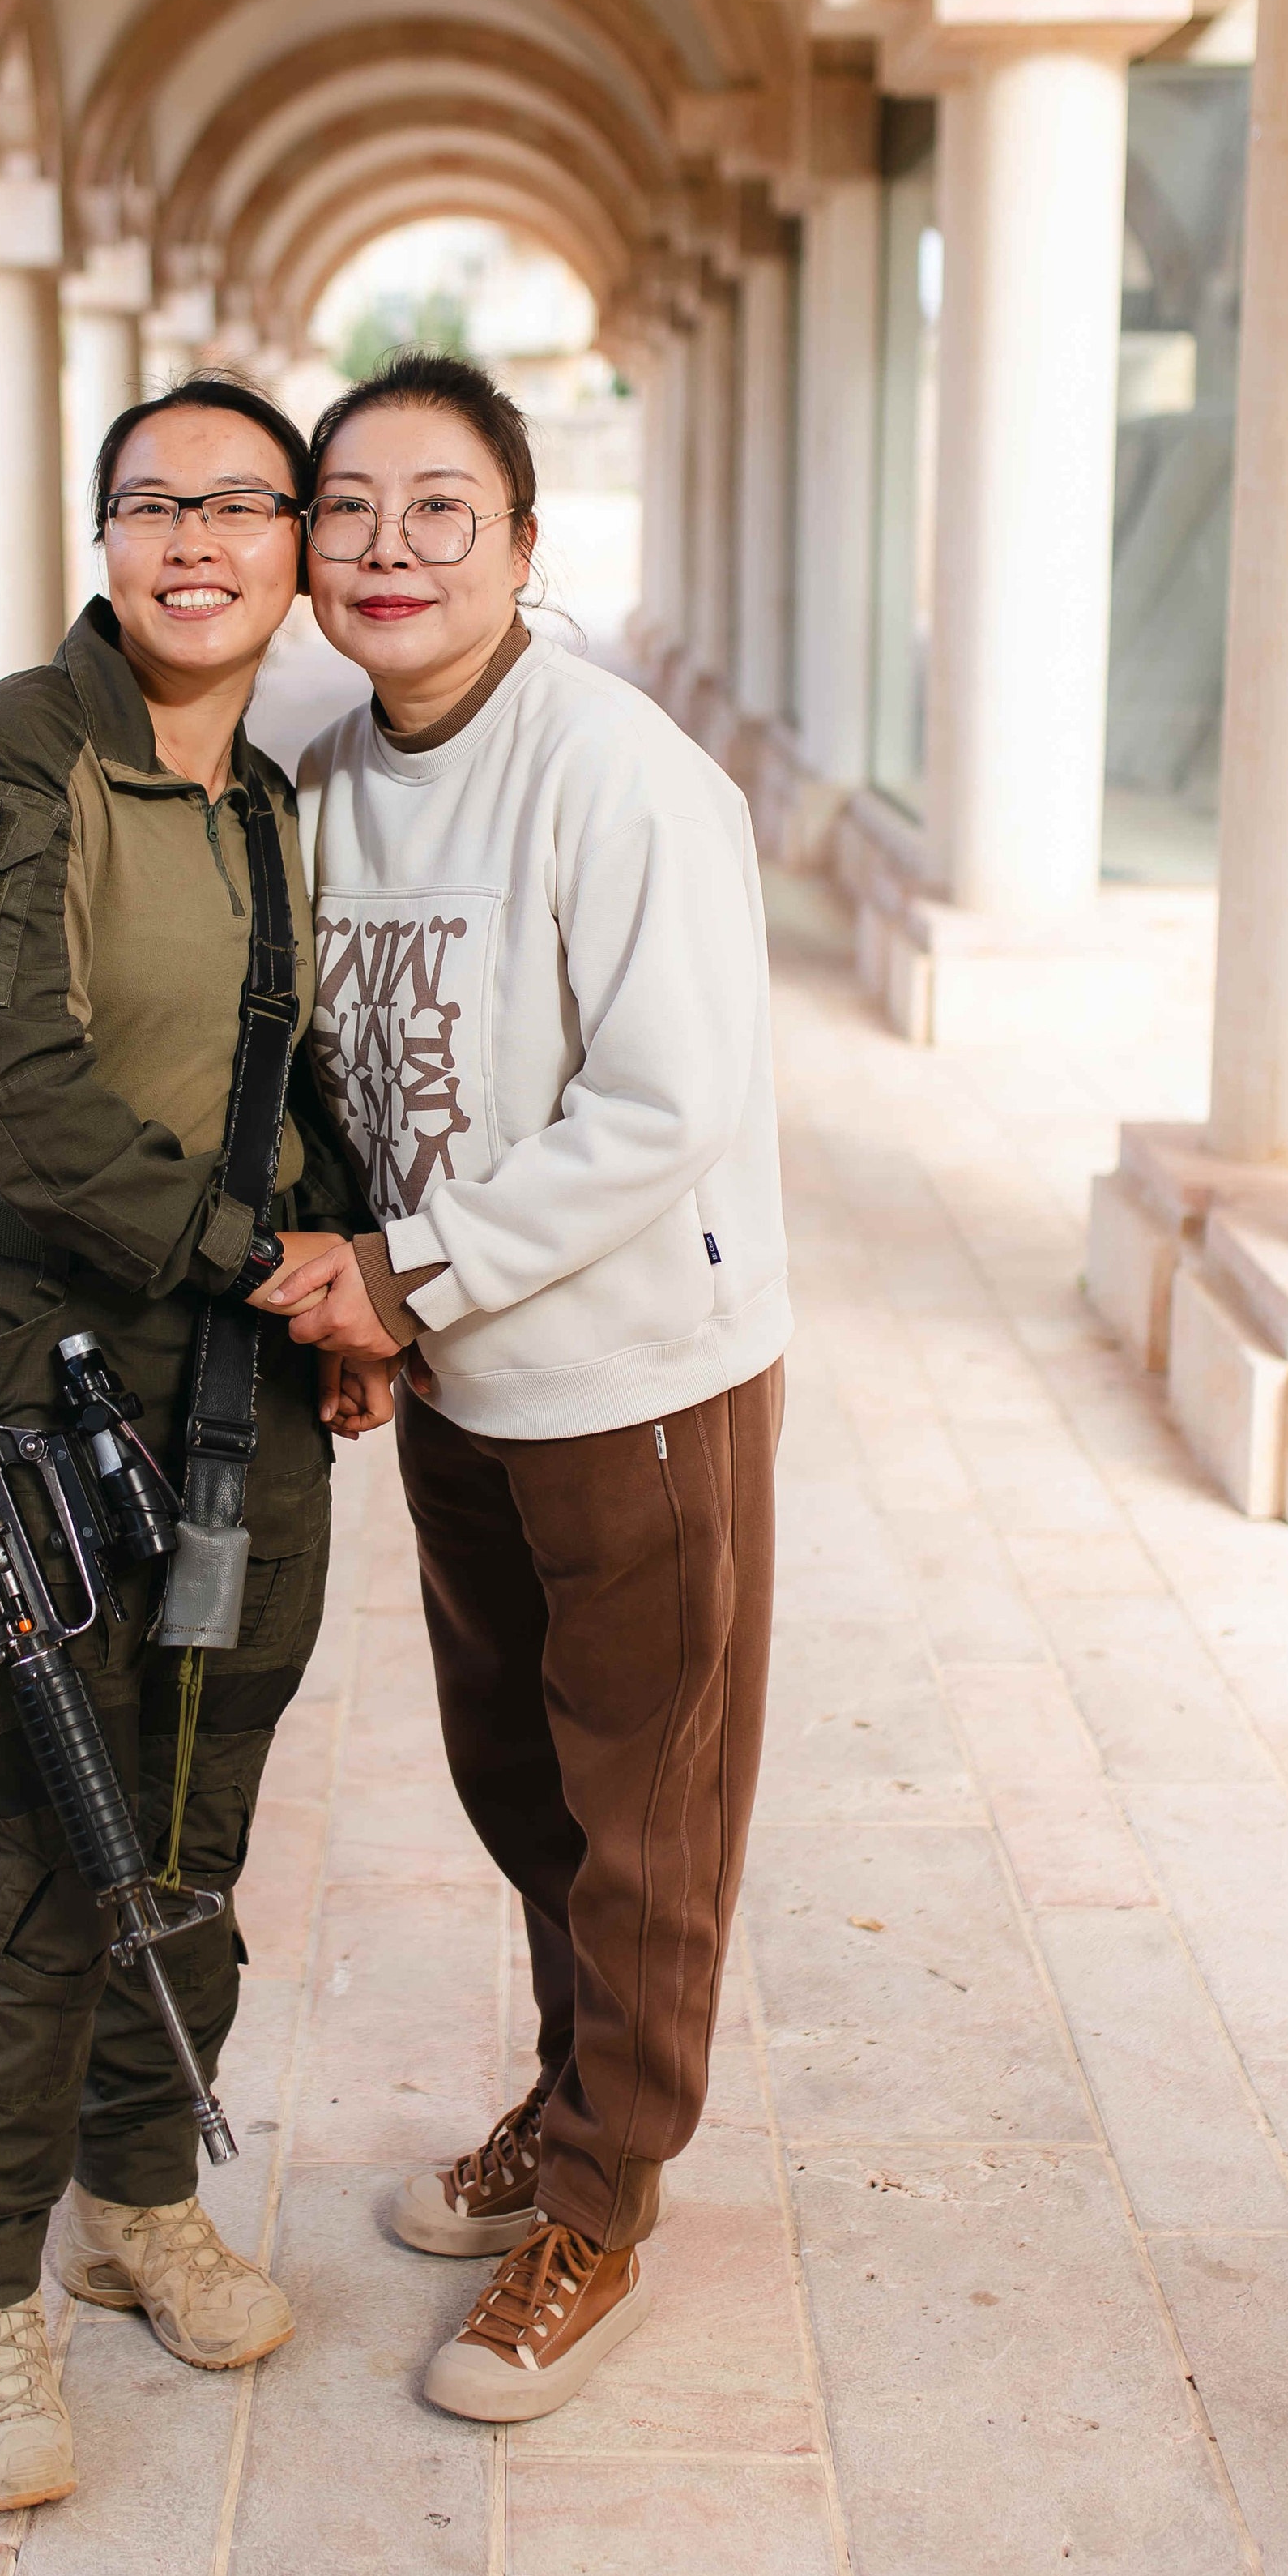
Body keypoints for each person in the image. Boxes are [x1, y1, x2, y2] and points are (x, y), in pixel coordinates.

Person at [265, 351, 789, 2424]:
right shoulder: (320, 780)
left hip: (635, 1376)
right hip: (460, 1374)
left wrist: (407, 1270)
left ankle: (605, 2199)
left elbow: (664, 1104)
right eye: (349, 512)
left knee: (645, 1803)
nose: (388, 551)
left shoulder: (617, 768)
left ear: (523, 543)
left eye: (438, 510)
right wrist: (360, 1305)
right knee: (518, 1778)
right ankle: (577, 2105)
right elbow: (339, 1086)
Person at [0, 374, 370, 2514]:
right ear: (104, 540)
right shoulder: (15, 750)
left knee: (196, 1791)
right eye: (153, 503)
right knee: (46, 1824)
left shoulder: (263, 793)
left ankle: (137, 2188)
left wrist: (349, 1283)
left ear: (291, 550)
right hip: (39, 1357)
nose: (196, 539)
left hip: (234, 1370)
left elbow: (284, 1077)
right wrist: (261, 1258)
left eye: (238, 505)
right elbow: (1, 1093)